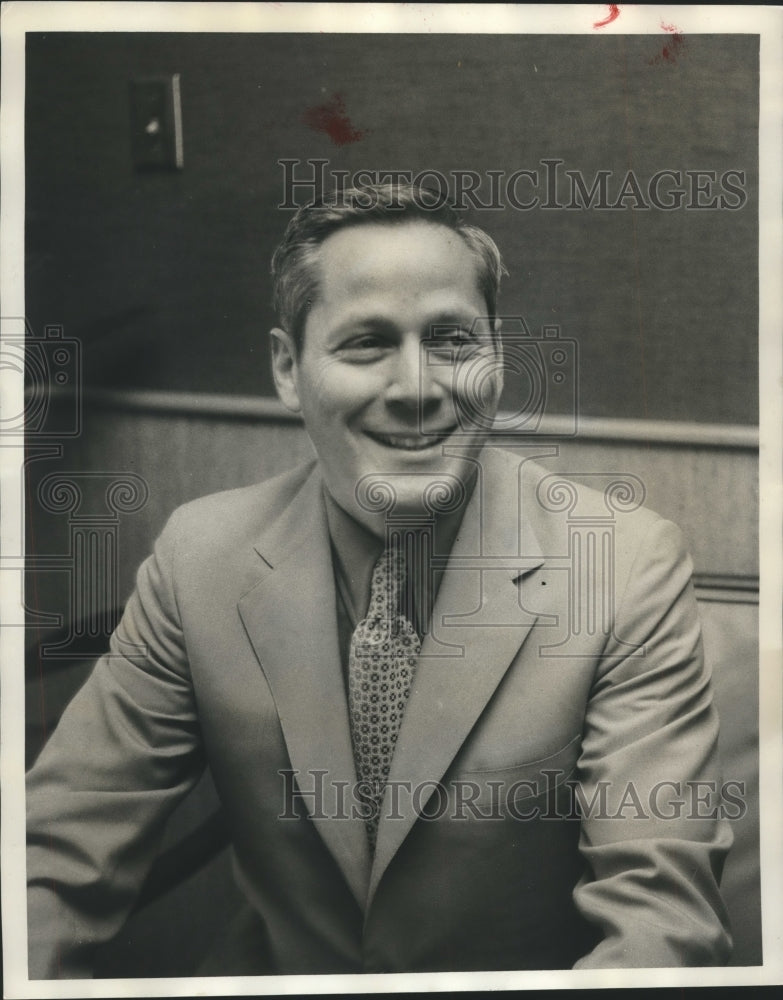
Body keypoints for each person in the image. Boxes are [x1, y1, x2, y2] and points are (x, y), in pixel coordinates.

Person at [26, 182, 732, 977]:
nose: (417, 388)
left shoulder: (626, 561)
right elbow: (49, 856)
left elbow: (661, 921)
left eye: (453, 340)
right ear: (288, 370)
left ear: (497, 357)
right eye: (365, 342)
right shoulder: (200, 557)